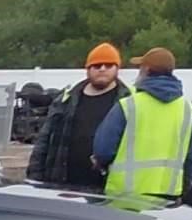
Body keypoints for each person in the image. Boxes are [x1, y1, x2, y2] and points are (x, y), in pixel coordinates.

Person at [93, 48, 192, 206]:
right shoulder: (187, 108)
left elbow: (103, 151)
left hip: (125, 198)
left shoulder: (129, 105)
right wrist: (184, 186)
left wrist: (100, 165)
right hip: (167, 199)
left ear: (146, 70)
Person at [27, 43, 130, 188]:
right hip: (62, 185)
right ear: (87, 69)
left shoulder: (128, 102)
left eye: (108, 65)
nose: (102, 69)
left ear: (117, 69)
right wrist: (35, 177)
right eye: (97, 65)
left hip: (107, 187)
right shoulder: (66, 100)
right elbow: (43, 142)